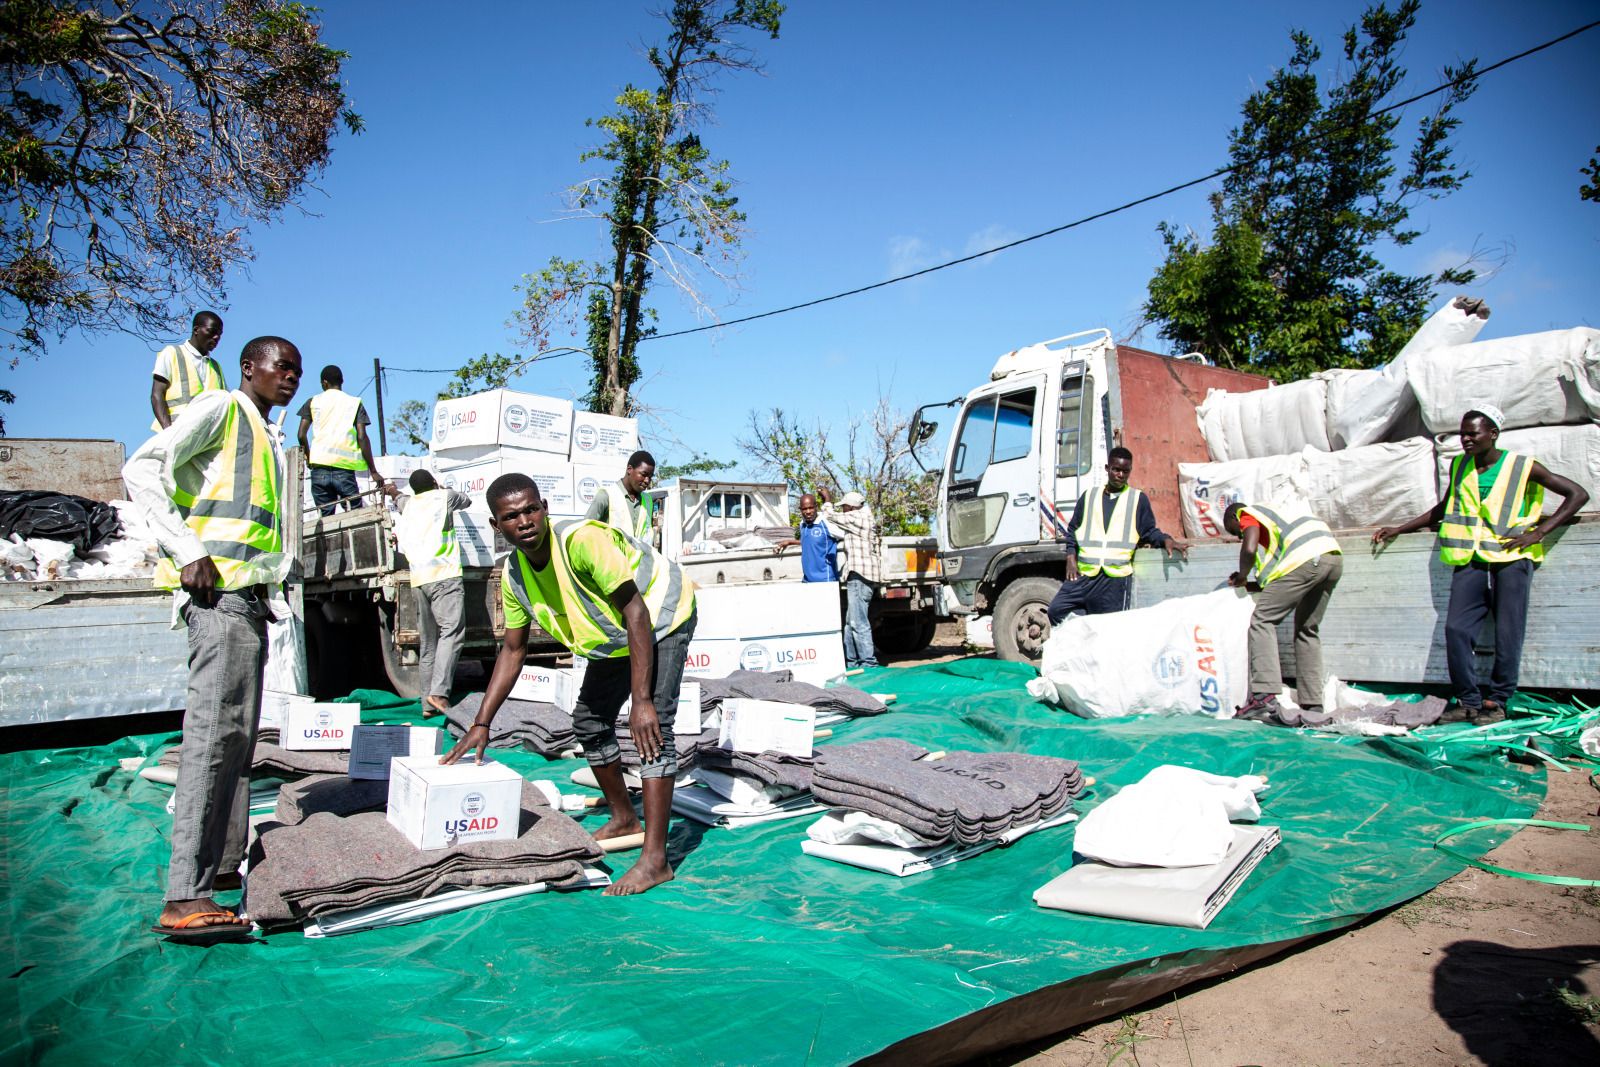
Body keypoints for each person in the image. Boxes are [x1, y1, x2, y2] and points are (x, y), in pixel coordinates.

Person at [124, 336, 302, 941]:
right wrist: (188, 550)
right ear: (249, 368)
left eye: (297, 371)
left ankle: (222, 869)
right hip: (217, 598)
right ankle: (184, 896)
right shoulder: (221, 407)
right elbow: (142, 467)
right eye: (282, 367)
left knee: (236, 741)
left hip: (247, 604)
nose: (291, 378)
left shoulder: (268, 435)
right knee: (209, 739)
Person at [443, 473, 697, 896]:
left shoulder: (581, 541)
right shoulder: (514, 576)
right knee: (589, 722)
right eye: (511, 516)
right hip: (618, 637)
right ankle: (623, 818)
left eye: (531, 510)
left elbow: (637, 613)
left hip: (661, 616)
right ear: (496, 525)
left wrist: (642, 700)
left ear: (543, 507)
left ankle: (656, 860)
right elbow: (512, 651)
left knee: (654, 730)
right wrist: (482, 722)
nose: (524, 521)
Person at [1374, 406, 1589, 724]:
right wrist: (1401, 528)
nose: (1465, 439)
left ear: (1493, 434)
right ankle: (1468, 701)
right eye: (1462, 433)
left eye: (1472, 433)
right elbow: (1446, 508)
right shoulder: (1460, 466)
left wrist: (1539, 533)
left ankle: (1497, 703)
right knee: (1456, 630)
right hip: (1470, 559)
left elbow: (1577, 494)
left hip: (1510, 560)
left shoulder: (1521, 466)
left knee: (1507, 633)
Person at [1223, 498, 1344, 723]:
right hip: (1332, 558)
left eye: (1237, 532)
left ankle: (1263, 697)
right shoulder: (1279, 516)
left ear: (1235, 517)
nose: (1240, 536)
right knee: (1307, 629)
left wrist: (1241, 576)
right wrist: (1251, 585)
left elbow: (1249, 549)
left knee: (1262, 620)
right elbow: (1282, 578)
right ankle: (1313, 703)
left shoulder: (1247, 513)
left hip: (1307, 561)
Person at [1046, 447, 1188, 624]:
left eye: (1125, 471)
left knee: (1107, 629)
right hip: (1084, 576)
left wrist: (1166, 539)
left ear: (1130, 471)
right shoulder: (1089, 496)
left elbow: (1149, 531)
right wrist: (1070, 556)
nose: (1120, 475)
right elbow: (1073, 529)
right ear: (1107, 468)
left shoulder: (1137, 499)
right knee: (1055, 611)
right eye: (1116, 469)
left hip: (1113, 581)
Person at [391, 470, 474, 717]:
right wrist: (442, 487)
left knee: (428, 644)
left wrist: (392, 491)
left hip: (420, 580)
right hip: (444, 576)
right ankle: (439, 692)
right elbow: (467, 500)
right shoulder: (443, 497)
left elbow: (397, 498)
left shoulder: (408, 504)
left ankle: (427, 705)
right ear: (433, 483)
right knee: (453, 632)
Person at [297, 364, 389, 516]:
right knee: (355, 516)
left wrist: (308, 457)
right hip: (344, 470)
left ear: (324, 383)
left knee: (325, 518)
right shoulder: (354, 403)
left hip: (319, 468)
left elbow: (301, 434)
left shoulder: (312, 402)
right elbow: (362, 437)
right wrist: (373, 471)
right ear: (342, 381)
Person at [818, 486, 881, 669]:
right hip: (860, 575)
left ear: (851, 508)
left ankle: (868, 663)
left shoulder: (859, 517)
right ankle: (852, 661)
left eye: (844, 507)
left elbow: (832, 516)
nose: (843, 509)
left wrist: (827, 499)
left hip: (860, 575)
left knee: (858, 621)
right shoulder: (860, 519)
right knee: (850, 621)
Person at [149, 311, 226, 431]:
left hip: (208, 439)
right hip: (178, 433)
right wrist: (168, 433)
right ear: (196, 330)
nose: (216, 338)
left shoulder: (216, 367)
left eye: (220, 334)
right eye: (212, 332)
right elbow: (157, 394)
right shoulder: (171, 353)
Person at [585, 449, 656, 542]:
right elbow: (585, 533)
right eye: (644, 474)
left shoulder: (648, 500)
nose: (647, 480)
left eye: (650, 477)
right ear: (629, 469)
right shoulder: (606, 496)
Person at [776, 493, 841, 582]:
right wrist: (790, 542)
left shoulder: (826, 524)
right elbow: (809, 541)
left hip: (825, 580)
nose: (808, 511)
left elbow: (846, 536)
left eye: (810, 508)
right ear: (800, 510)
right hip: (807, 580)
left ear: (816, 507)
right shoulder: (802, 524)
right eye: (804, 509)